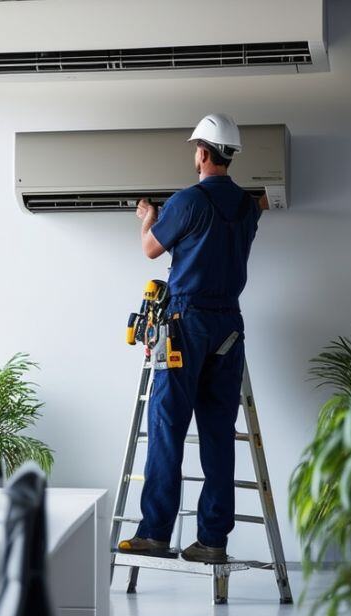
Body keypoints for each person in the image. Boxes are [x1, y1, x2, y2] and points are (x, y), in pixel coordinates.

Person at [117, 113, 264, 564]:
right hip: (229, 328)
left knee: (166, 426)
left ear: (202, 153)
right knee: (219, 432)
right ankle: (213, 540)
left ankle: (156, 534)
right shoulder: (248, 206)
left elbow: (150, 250)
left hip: (184, 325)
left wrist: (149, 219)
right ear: (229, 154)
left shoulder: (188, 200)